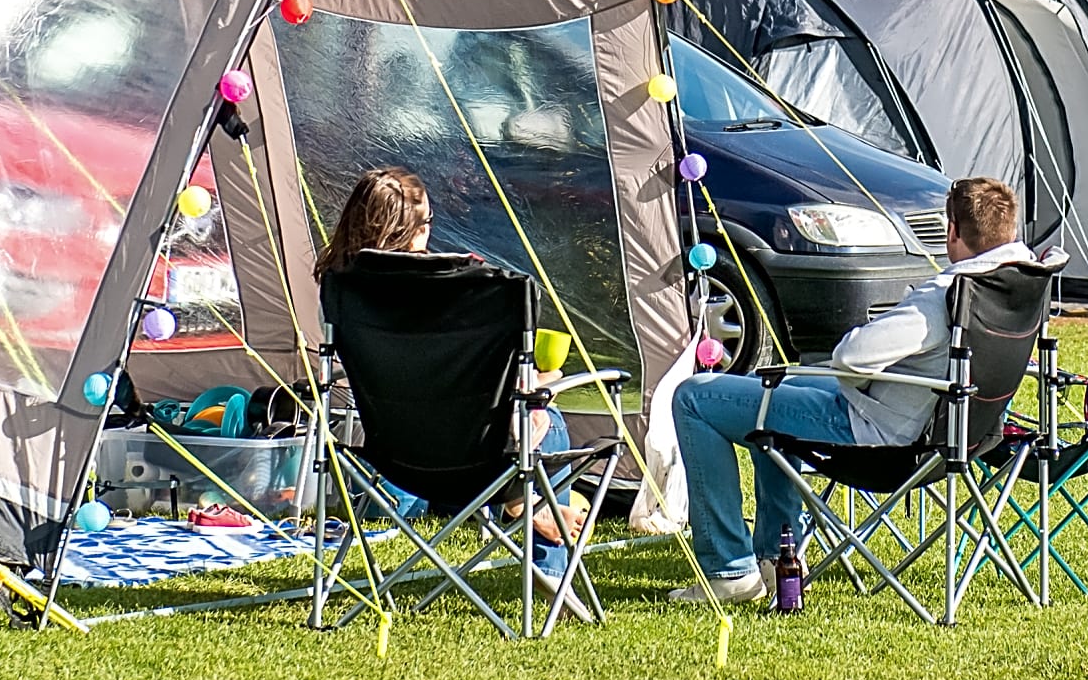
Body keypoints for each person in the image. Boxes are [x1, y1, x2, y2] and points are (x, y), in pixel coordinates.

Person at [666, 175, 1047, 604]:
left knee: (695, 397)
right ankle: (776, 555)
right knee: (764, 387)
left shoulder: (947, 294)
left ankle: (730, 570)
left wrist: (867, 357)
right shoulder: (1020, 282)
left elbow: (851, 356)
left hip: (883, 439)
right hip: (958, 436)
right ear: (1008, 229)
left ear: (953, 231)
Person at [314, 167, 579, 564]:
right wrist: (539, 382)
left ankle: (521, 504)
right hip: (476, 455)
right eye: (427, 222)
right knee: (546, 417)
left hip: (395, 455)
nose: (430, 231)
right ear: (413, 229)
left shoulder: (339, 290)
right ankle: (550, 566)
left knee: (508, 422)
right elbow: (468, 379)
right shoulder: (460, 289)